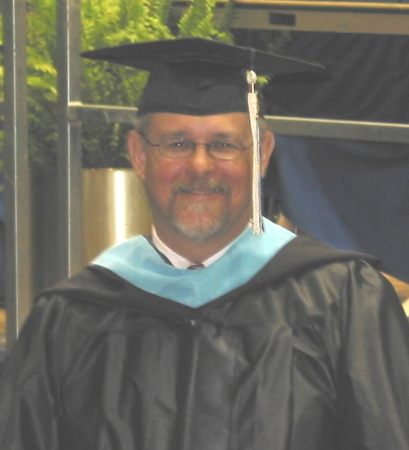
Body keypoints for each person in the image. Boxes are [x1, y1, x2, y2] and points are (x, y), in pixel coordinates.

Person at [0, 38, 408, 450]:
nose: (199, 165)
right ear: (139, 155)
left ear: (261, 155)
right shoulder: (71, 316)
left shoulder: (343, 302)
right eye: (177, 144)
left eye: (223, 144)